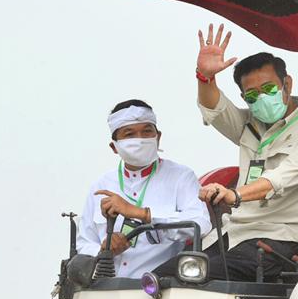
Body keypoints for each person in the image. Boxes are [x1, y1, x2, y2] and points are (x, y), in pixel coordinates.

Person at [192, 24, 298, 281]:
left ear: (286, 84)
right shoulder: (248, 124)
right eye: (252, 95)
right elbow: (214, 108)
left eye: (269, 89)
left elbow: (277, 180)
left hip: (281, 241)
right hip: (232, 234)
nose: (262, 99)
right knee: (161, 277)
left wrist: (233, 194)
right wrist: (205, 76)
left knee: (195, 277)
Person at [75, 99, 211, 279]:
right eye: (129, 134)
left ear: (158, 137)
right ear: (114, 147)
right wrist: (104, 248)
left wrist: (142, 214)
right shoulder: (101, 185)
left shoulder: (181, 176)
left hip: (159, 291)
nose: (139, 139)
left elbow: (201, 225)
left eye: (147, 131)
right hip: (106, 289)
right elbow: (84, 243)